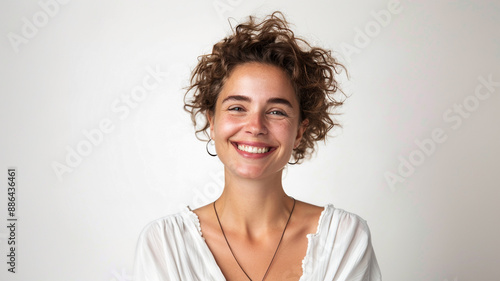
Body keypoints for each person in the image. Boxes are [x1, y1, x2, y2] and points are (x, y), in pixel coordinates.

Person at [134, 11, 381, 281]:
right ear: (212, 122)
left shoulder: (343, 238)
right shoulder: (165, 244)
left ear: (299, 131)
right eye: (238, 107)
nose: (255, 126)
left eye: (276, 111)